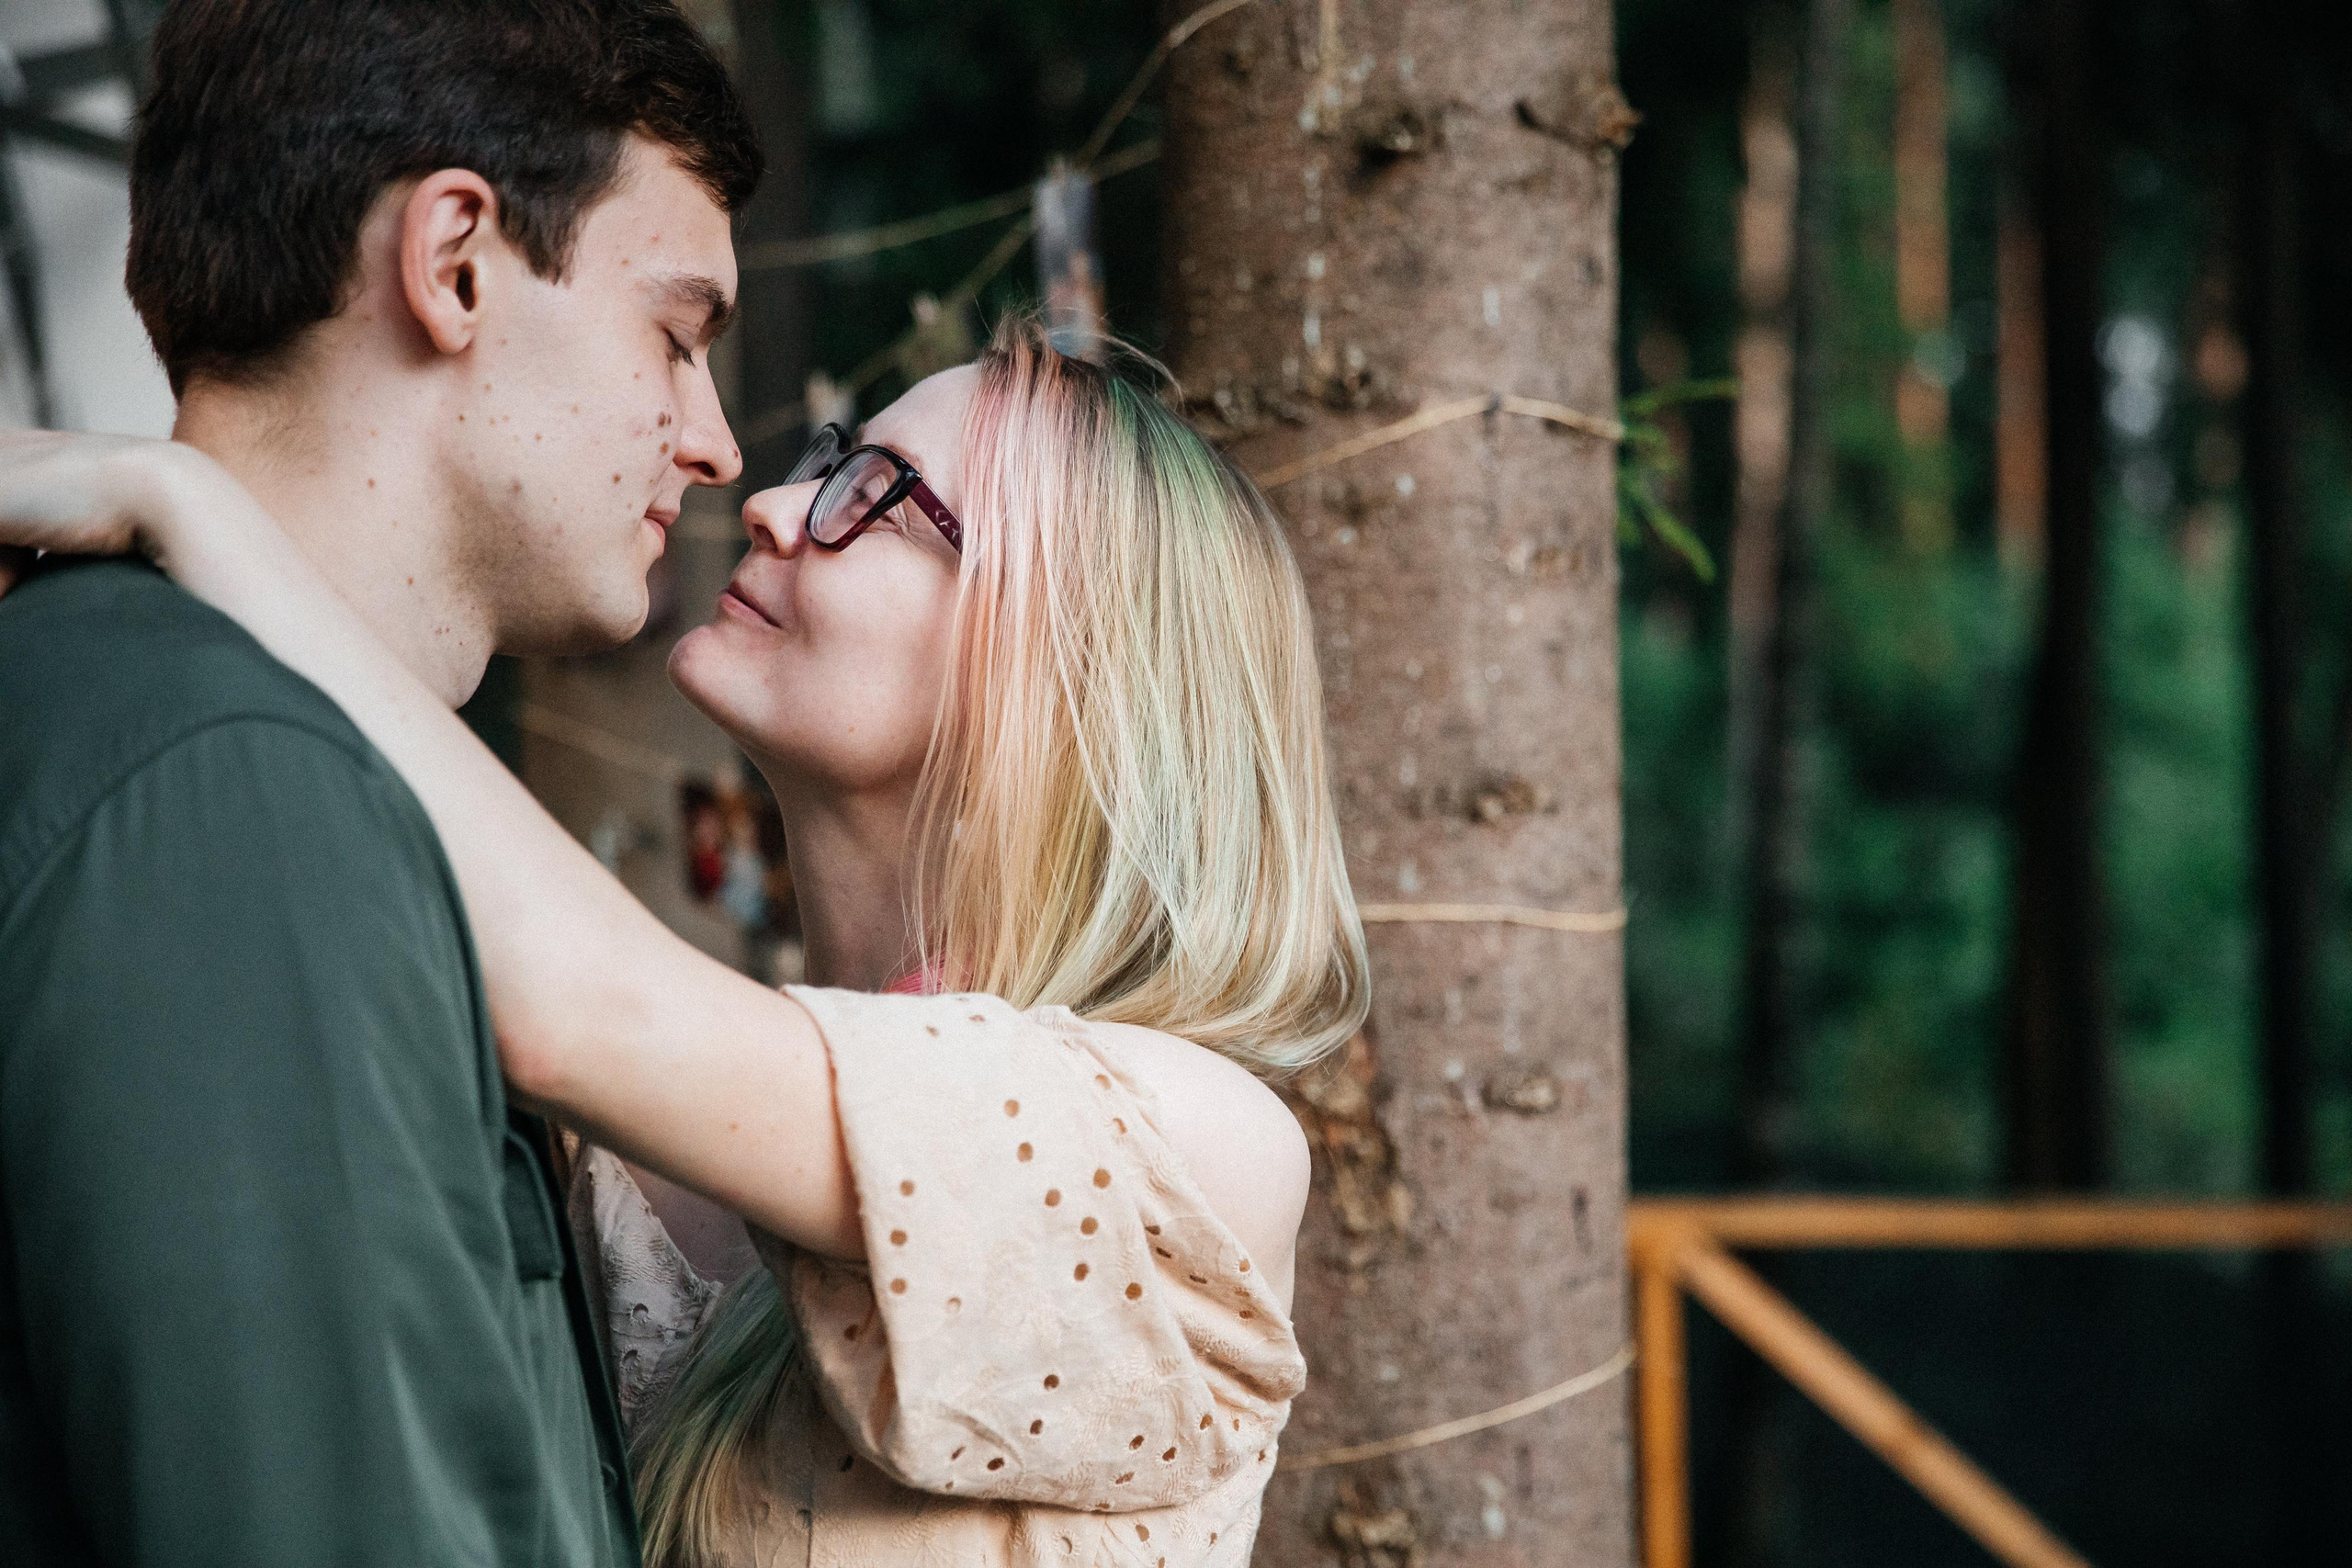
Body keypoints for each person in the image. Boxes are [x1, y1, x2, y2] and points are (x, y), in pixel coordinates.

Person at [0, 312, 1371, 1564]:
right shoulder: (646, 1149)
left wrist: (184, 506)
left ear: (1068, 668)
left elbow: (578, 1007)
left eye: (875, 498)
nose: (772, 506)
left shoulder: (1203, 1160)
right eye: (827, 460)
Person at [0, 1, 761, 1562]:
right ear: (457, 262)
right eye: (675, 340)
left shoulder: (191, 737)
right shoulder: (240, 794)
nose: (717, 445)